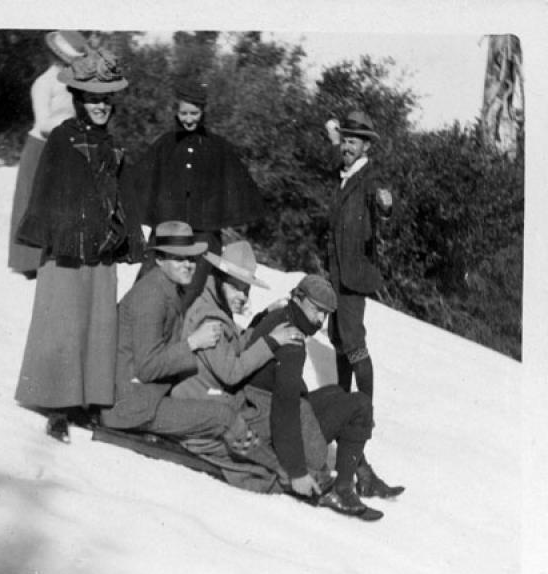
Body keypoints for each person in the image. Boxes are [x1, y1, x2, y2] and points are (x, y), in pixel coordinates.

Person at [14, 45, 143, 442]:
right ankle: (55, 404)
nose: (100, 107)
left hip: (100, 253)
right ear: (78, 99)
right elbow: (45, 193)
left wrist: (124, 237)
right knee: (63, 324)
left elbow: (124, 198)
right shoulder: (61, 139)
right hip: (67, 251)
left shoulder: (114, 146)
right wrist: (62, 235)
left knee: (97, 324)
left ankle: (86, 401)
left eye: (106, 100)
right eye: (92, 99)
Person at [170, 241, 334, 495]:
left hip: (214, 408)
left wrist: (261, 318)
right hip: (203, 417)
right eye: (236, 287)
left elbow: (232, 344)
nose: (243, 296)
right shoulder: (209, 317)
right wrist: (271, 341)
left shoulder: (215, 307)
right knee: (262, 463)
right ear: (219, 278)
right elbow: (231, 372)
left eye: (246, 289)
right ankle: (299, 479)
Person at [246, 274, 403, 520]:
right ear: (297, 299)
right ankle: (342, 489)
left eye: (326, 314)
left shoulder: (277, 317)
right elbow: (285, 408)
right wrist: (297, 471)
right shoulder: (292, 342)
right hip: (272, 426)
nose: (320, 320)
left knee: (336, 393)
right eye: (316, 310)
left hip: (260, 408)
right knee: (360, 404)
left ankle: (363, 474)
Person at [100, 222, 256, 457]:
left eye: (192, 259)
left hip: (149, 396)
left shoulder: (167, 287)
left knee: (226, 408)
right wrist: (193, 343)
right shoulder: (151, 297)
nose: (188, 265)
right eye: (179, 259)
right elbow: (147, 368)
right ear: (160, 259)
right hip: (133, 405)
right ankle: (269, 468)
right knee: (224, 417)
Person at [122, 79, 269, 310]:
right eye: (184, 113)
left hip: (204, 239)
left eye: (194, 113)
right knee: (146, 290)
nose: (189, 119)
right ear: (176, 111)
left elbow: (240, 189)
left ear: (203, 112)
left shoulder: (218, 147)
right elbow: (139, 182)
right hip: (167, 236)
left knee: (190, 296)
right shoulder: (165, 145)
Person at [322, 110, 392, 405]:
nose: (347, 147)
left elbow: (383, 204)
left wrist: (386, 207)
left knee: (353, 343)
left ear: (367, 146)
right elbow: (333, 160)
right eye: (345, 141)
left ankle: (363, 414)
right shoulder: (345, 172)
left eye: (353, 142)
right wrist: (334, 139)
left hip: (353, 274)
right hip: (337, 273)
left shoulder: (371, 177)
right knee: (339, 338)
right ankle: (342, 403)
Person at [7, 30, 88, 276]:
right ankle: (28, 262)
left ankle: (53, 256)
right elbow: (43, 123)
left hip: (67, 145)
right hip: (41, 147)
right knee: (32, 203)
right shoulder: (44, 83)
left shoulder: (76, 82)